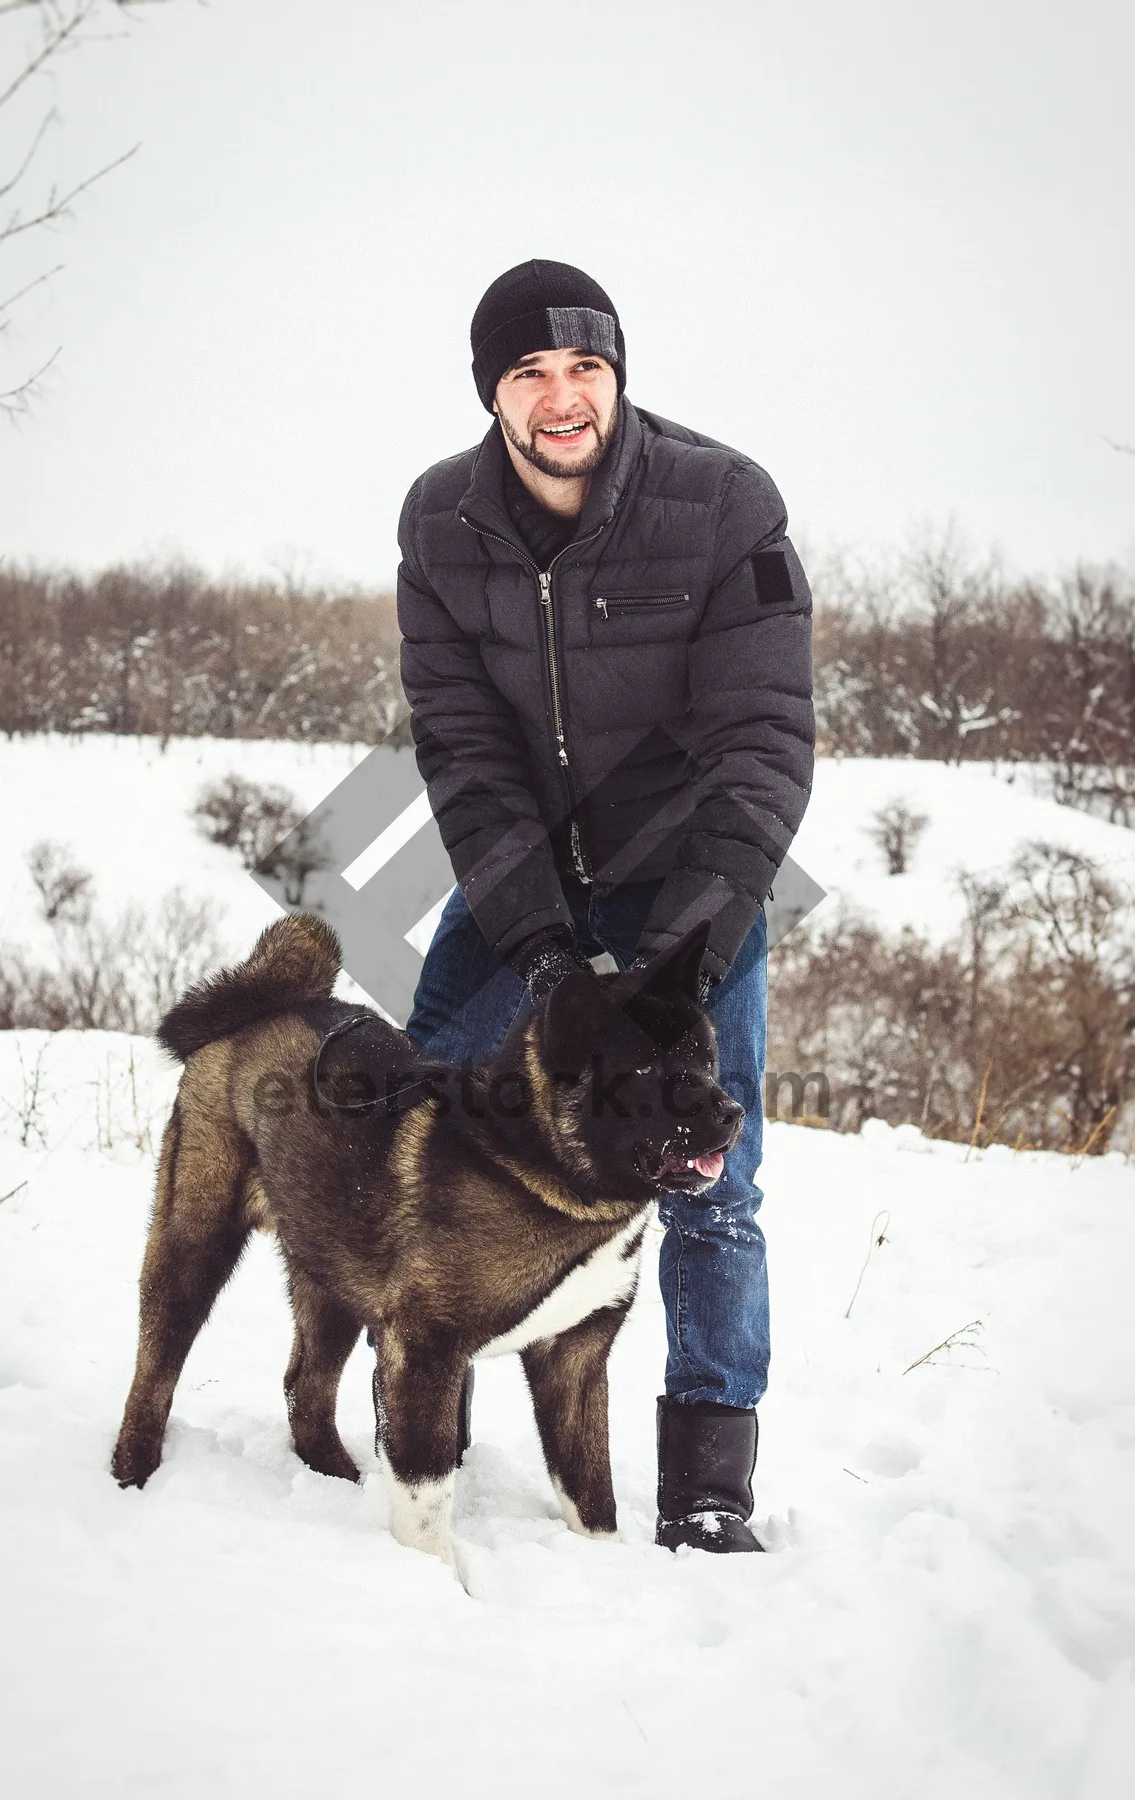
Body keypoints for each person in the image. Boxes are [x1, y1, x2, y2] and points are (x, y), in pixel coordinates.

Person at [396, 259, 814, 1552]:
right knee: (425, 1116)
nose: (562, 396)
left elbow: (764, 741)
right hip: (528, 875)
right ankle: (418, 1397)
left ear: (619, 375)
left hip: (697, 881)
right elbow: (463, 750)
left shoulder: (723, 503)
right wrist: (538, 950)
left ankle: (705, 1478)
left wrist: (684, 957)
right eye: (529, 372)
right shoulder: (439, 525)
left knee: (710, 1170)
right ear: (494, 395)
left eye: (585, 366)